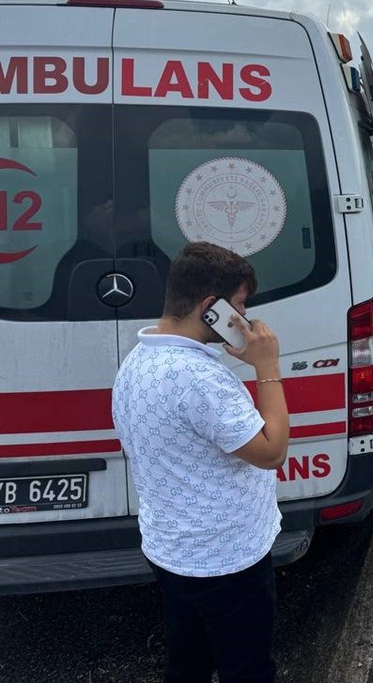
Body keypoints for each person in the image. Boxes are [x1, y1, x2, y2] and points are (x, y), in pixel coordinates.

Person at [111, 242, 288, 683]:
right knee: (247, 669)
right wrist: (268, 368)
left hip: (172, 548)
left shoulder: (139, 360)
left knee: (187, 662)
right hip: (225, 558)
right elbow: (272, 451)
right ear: (211, 307)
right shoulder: (200, 378)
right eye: (240, 306)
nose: (243, 320)